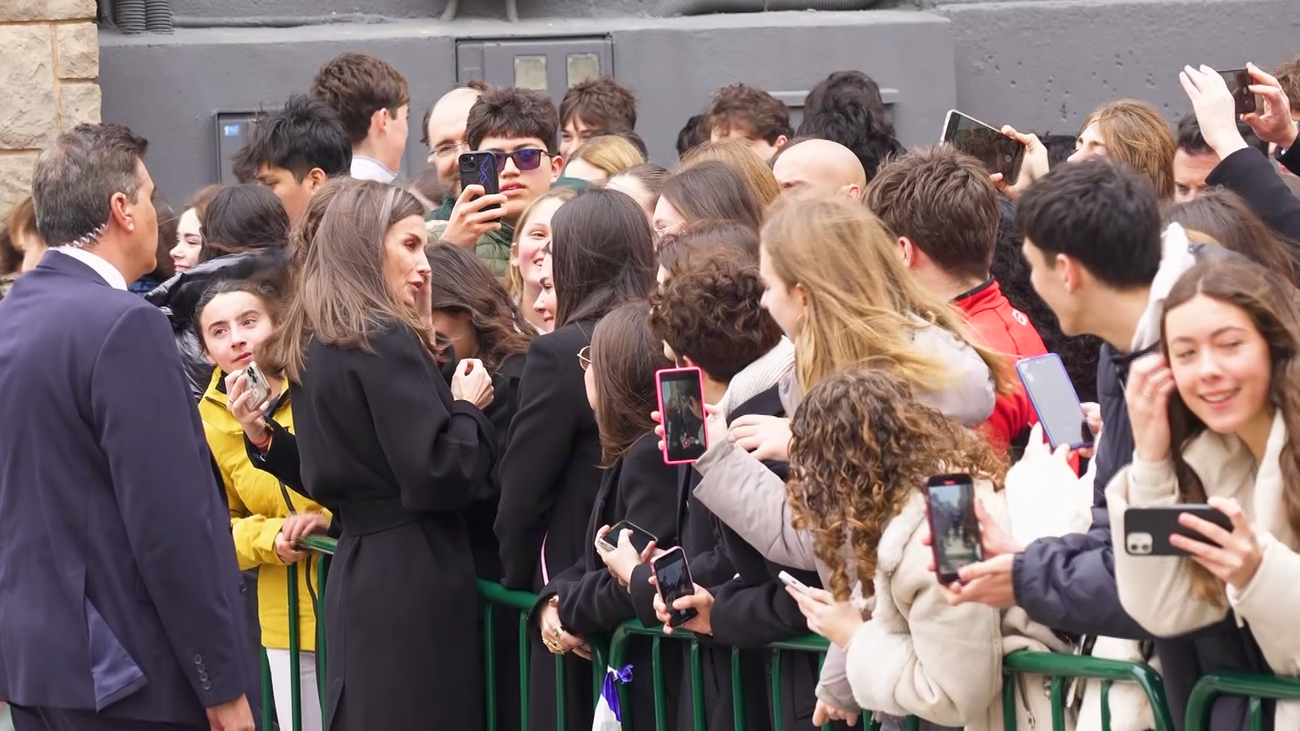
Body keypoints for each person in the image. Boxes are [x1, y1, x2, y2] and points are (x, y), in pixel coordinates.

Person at [0, 123, 254, 730]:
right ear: (122, 210)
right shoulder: (123, 325)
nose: (155, 211)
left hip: (39, 667)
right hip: (133, 677)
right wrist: (220, 684)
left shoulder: (15, 315)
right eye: (148, 196)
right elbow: (171, 520)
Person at [259, 180, 496, 730]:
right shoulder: (380, 339)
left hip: (360, 572)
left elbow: (334, 468)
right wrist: (467, 409)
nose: (426, 263)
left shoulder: (318, 341)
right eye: (410, 245)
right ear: (368, 247)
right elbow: (439, 474)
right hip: (414, 575)